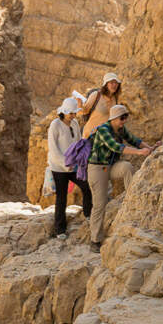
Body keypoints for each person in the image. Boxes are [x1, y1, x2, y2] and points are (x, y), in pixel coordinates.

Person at [85, 104, 152, 246]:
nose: (124, 120)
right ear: (114, 119)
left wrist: (149, 148)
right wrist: (139, 153)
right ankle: (95, 240)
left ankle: (131, 198)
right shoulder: (103, 130)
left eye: (126, 117)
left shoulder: (120, 129)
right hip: (97, 168)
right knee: (99, 204)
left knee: (127, 167)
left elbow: (135, 140)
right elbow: (115, 147)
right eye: (122, 118)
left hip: (110, 166)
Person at [45, 96, 91, 238]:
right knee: (62, 197)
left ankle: (88, 215)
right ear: (64, 112)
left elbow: (78, 142)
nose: (73, 115)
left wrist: (80, 158)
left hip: (74, 166)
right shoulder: (55, 125)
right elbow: (53, 149)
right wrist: (66, 165)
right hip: (59, 168)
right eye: (71, 113)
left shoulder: (75, 123)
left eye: (74, 113)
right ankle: (60, 229)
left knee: (86, 186)